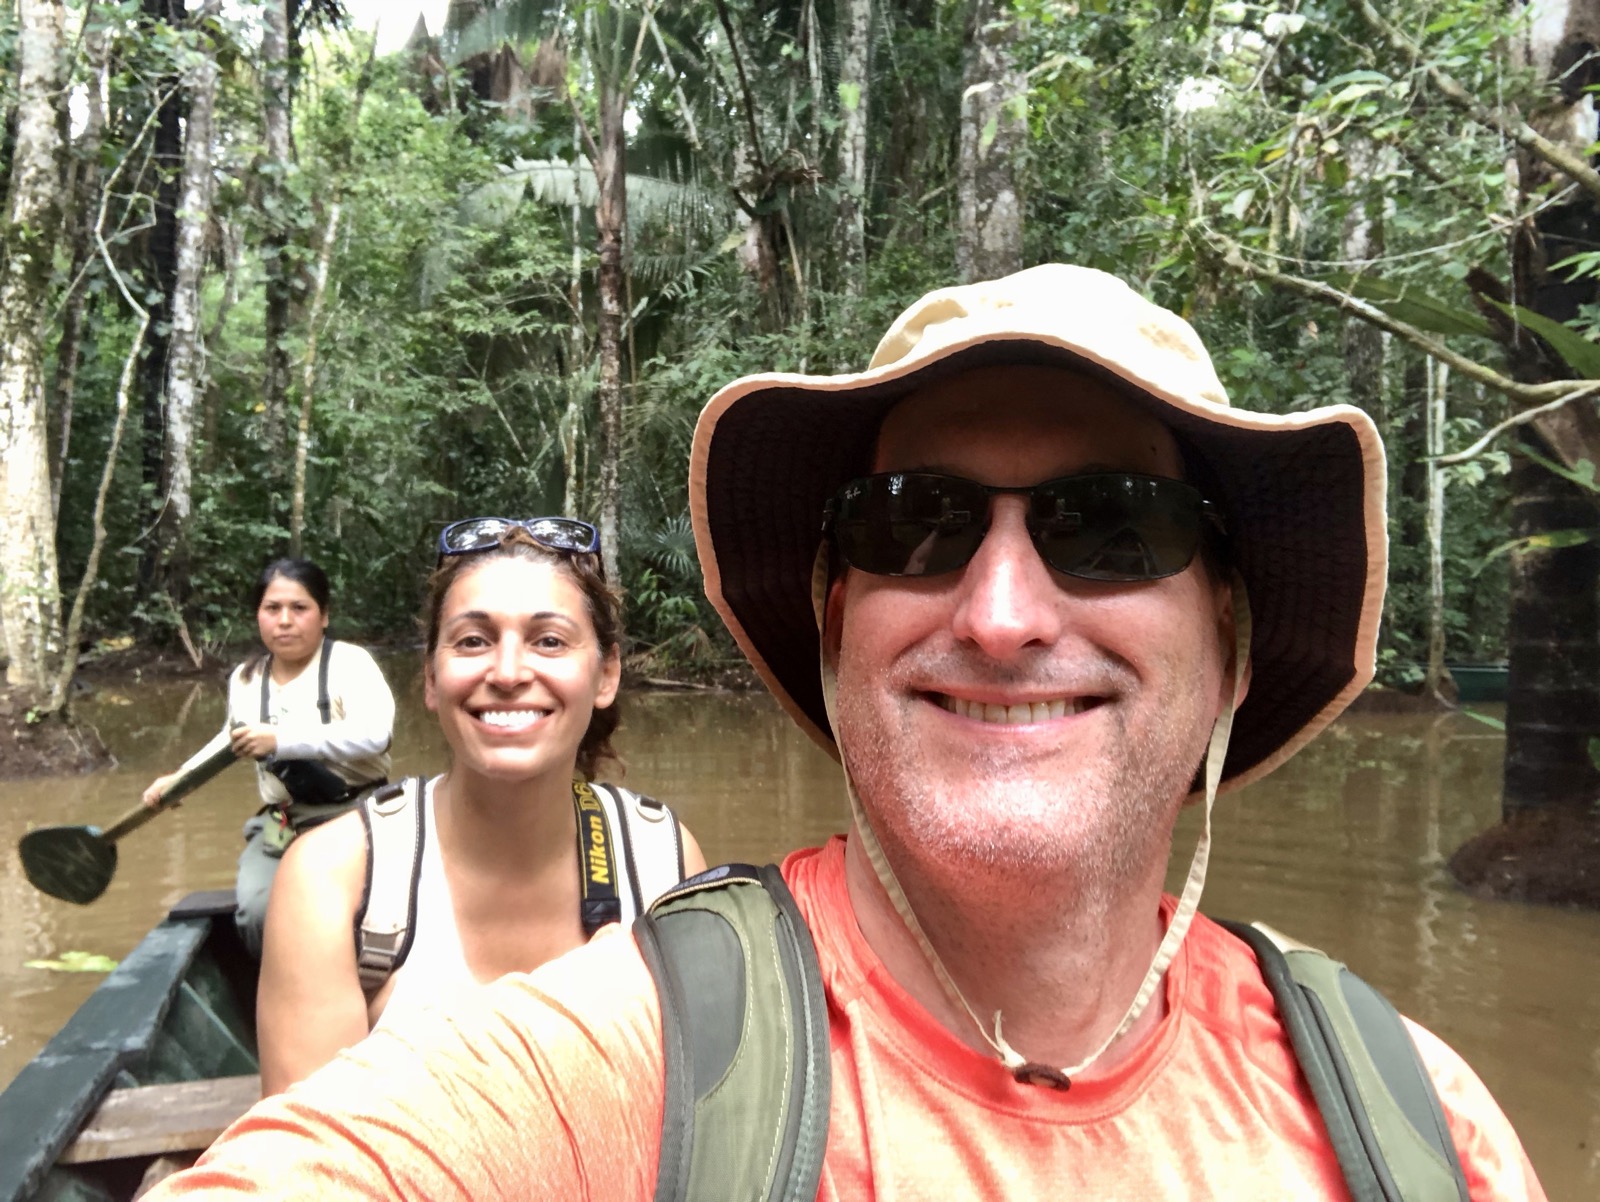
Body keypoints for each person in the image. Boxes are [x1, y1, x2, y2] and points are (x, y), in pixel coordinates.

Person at [150, 266, 1545, 1199]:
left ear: (1228, 636)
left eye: (1113, 525)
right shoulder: (637, 1049)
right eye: (914, 526)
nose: (1001, 612)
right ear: (834, 621)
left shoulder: (1414, 1120)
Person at [255, 518, 707, 1094]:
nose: (509, 673)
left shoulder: (662, 858)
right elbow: (314, 1171)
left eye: (549, 641)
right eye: (473, 640)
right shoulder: (334, 877)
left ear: (606, 674)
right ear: (430, 677)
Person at [142, 558, 394, 959]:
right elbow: (230, 739)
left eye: (300, 608)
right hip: (284, 821)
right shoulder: (245, 678)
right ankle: (275, 997)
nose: (285, 621)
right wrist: (181, 778)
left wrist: (281, 739)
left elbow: (375, 735)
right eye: (272, 609)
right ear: (258, 616)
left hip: (357, 814)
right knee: (259, 912)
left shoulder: (350, 663)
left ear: (324, 616)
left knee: (363, 911)